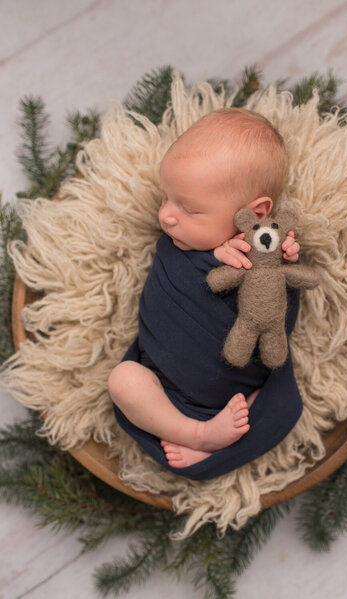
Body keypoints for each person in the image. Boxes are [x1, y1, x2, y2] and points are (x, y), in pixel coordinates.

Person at [108, 108, 302, 480]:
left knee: (284, 407)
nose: (166, 216)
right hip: (163, 389)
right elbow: (173, 274)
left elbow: (275, 313)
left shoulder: (264, 249)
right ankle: (196, 434)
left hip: (235, 391)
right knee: (123, 381)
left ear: (255, 212)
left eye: (189, 208)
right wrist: (210, 258)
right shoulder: (176, 245)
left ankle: (217, 440)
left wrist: (284, 261)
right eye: (166, 197)